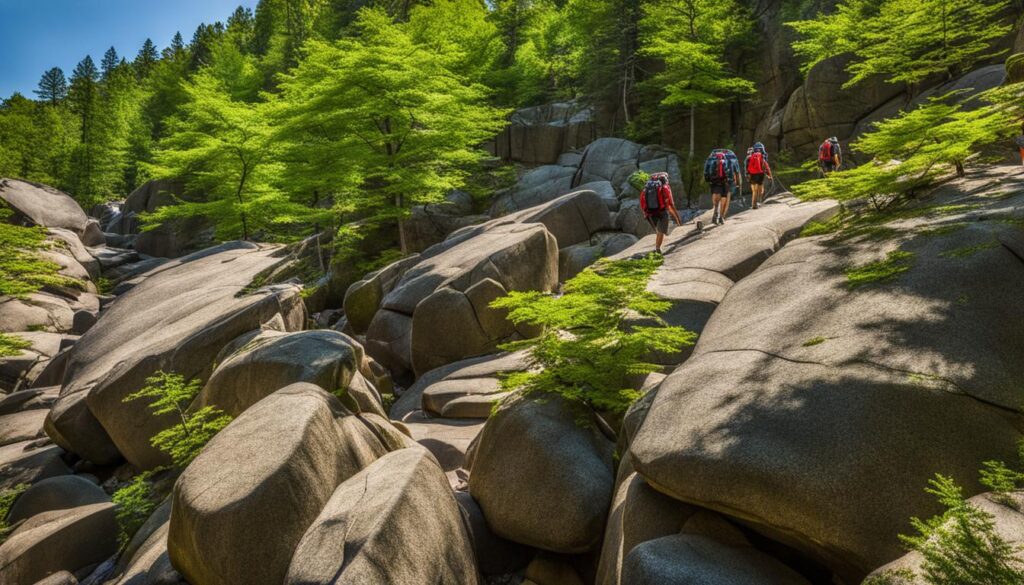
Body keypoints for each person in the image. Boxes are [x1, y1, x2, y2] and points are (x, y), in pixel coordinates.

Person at [639, 172, 682, 255]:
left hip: (650, 213)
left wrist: (645, 214)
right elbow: (671, 205)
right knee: (661, 231)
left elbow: (642, 203)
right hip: (661, 211)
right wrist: (678, 220)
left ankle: (657, 246)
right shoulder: (665, 188)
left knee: (658, 230)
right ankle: (658, 248)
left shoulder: (646, 189)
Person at [745, 142, 772, 209]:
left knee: (754, 190)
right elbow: (766, 166)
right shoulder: (762, 156)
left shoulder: (749, 157)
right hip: (760, 174)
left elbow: (746, 167)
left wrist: (747, 175)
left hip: (751, 174)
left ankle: (754, 204)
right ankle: (758, 202)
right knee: (760, 190)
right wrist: (769, 175)